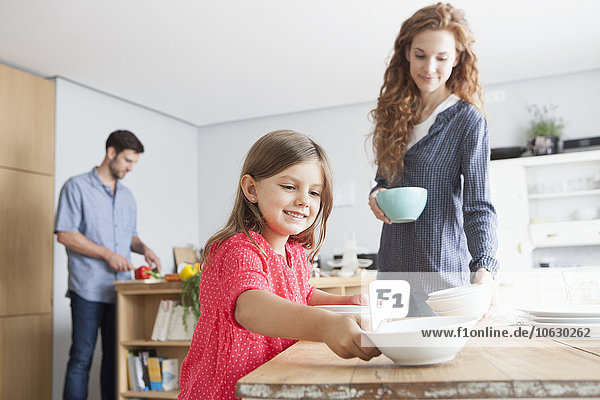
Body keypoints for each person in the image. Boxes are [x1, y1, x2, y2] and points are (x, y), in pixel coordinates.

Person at [177, 130, 380, 400]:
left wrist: (345, 301)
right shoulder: (239, 249)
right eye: (289, 186)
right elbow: (251, 307)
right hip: (226, 389)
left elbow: (300, 295)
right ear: (252, 189)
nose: (303, 200)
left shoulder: (294, 252)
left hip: (271, 380)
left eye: (314, 192)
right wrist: (326, 326)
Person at [368, 3, 499, 317]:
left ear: (457, 58)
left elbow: (478, 204)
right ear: (407, 54)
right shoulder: (394, 116)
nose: (429, 68)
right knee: (389, 360)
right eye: (420, 55)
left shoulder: (468, 121)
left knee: (441, 363)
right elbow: (382, 184)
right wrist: (376, 197)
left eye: (441, 58)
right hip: (391, 273)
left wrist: (484, 268)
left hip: (440, 275)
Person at [55, 130, 162, 400]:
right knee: (81, 357)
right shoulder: (76, 187)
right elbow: (65, 233)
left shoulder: (127, 197)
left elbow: (130, 236)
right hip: (87, 289)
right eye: (128, 161)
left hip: (120, 292)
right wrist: (106, 254)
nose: (131, 168)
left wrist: (144, 248)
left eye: (134, 163)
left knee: (115, 358)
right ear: (111, 153)